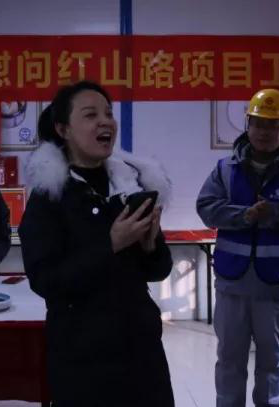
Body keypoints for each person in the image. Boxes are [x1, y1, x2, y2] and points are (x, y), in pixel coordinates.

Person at [19, 81, 174, 407]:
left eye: (108, 113)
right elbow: (46, 281)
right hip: (82, 359)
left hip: (142, 353)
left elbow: (159, 270)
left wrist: (150, 247)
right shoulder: (49, 197)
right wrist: (111, 245)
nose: (106, 122)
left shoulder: (129, 184)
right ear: (63, 129)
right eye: (91, 115)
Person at [196, 88, 279, 407]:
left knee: (272, 363)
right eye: (258, 124)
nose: (264, 132)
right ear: (247, 125)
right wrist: (244, 215)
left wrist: (275, 213)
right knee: (229, 361)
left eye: (273, 125)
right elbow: (206, 207)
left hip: (276, 286)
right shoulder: (225, 169)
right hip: (233, 284)